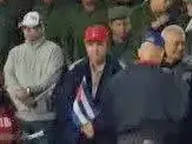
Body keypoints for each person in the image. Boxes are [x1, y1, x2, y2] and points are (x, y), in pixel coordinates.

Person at [102, 30, 189, 144]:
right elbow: (180, 113)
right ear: (162, 54)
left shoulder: (117, 79)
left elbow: (106, 116)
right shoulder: (170, 78)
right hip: (158, 137)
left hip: (125, 138)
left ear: (139, 52)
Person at [55, 25, 123, 144]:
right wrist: (81, 123)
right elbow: (63, 100)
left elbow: (120, 106)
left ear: (107, 45)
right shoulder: (76, 70)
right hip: (79, 134)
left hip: (108, 135)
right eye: (90, 45)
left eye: (99, 44)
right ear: (85, 46)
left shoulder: (119, 70)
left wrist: (96, 125)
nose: (95, 49)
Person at [3, 11, 64, 144]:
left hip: (45, 118)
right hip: (20, 118)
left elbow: (51, 81)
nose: (28, 31)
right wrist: (22, 97)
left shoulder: (54, 50)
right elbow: (9, 79)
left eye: (33, 28)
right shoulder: (14, 52)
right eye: (25, 28)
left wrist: (29, 92)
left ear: (41, 28)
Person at [160, 25, 192, 143]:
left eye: (183, 43)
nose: (181, 48)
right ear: (164, 45)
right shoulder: (154, 67)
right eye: (176, 44)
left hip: (187, 132)